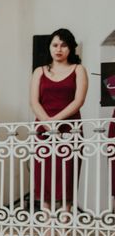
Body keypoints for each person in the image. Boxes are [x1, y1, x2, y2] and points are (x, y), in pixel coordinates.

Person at [30, 28, 88, 212]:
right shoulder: (39, 71)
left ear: (71, 48)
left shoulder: (79, 70)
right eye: (55, 45)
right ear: (49, 47)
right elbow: (33, 101)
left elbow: (79, 101)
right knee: (43, 177)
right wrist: (47, 122)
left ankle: (64, 224)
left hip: (69, 129)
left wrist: (55, 120)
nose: (59, 49)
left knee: (67, 176)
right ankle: (47, 225)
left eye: (63, 45)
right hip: (43, 129)